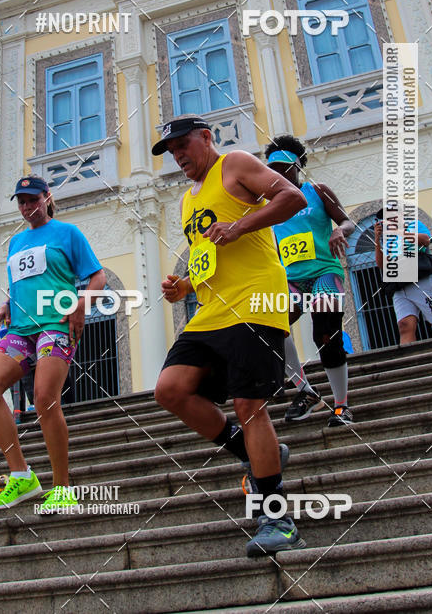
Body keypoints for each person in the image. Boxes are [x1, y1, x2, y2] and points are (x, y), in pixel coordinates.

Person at [152, 115, 308, 558]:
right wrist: (183, 285)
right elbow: (208, 253)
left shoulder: (235, 164)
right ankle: (254, 451)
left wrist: (238, 226)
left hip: (257, 299)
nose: (178, 156)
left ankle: (277, 518)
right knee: (170, 389)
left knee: (248, 404)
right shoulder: (187, 200)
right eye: (171, 151)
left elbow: (292, 197)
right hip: (211, 309)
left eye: (183, 145)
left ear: (206, 138)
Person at [0, 175, 105, 512]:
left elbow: (98, 276)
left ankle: (62, 488)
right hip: (20, 329)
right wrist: (5, 306)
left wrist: (81, 304)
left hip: (56, 324)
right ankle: (21, 476)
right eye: (21, 201)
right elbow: (24, 285)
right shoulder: (15, 243)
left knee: (45, 397)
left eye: (32, 199)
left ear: (47, 198)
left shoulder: (68, 233)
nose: (27, 206)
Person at [265, 136, 355, 427]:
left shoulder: (317, 192)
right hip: (291, 279)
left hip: (324, 273)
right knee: (271, 327)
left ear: (298, 166)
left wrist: (339, 231)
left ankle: (341, 406)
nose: (278, 174)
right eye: (273, 169)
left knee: (325, 333)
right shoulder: (269, 206)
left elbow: (347, 220)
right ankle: (305, 391)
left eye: (284, 167)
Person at [373, 210, 432, 345]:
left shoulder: (414, 224)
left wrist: (399, 231)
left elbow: (425, 241)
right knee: (404, 325)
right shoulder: (388, 240)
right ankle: (410, 361)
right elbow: (382, 264)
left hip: (423, 281)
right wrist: (377, 239)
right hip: (399, 285)